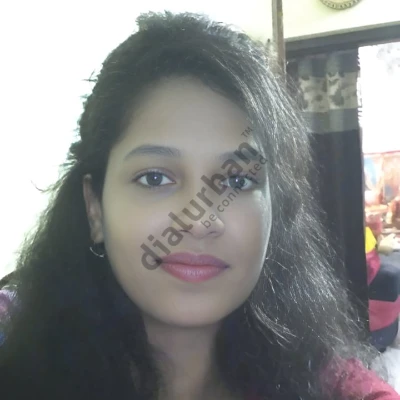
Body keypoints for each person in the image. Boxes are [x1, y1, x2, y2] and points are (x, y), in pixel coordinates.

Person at [0, 11, 399, 400]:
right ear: (94, 209)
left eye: (237, 181)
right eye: (155, 178)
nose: (201, 220)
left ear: (274, 211)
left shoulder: (334, 388)